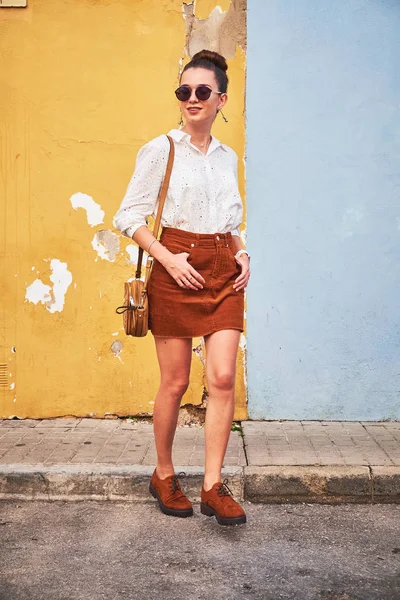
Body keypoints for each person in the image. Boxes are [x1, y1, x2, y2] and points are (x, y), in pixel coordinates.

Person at [113, 49, 250, 526]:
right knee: (175, 381)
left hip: (223, 268)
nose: (191, 99)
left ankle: (212, 485)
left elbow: (232, 218)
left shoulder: (229, 155)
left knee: (223, 378)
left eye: (201, 91)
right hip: (175, 267)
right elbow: (127, 216)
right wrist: (168, 259)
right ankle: (165, 474)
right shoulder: (161, 149)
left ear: (220, 98)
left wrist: (243, 251)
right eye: (183, 91)